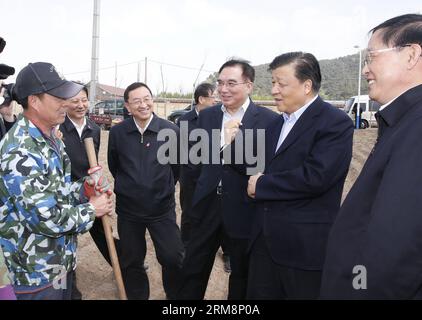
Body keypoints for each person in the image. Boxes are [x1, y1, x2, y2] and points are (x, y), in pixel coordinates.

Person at [320, 14, 422, 299]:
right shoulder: (404, 120)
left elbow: (395, 248)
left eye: (371, 57)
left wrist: (356, 290)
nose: (365, 70)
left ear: (411, 55)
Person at [0, 62, 113, 300]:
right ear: (34, 101)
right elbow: (44, 218)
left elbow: (57, 192)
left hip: (60, 262)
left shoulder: (51, 137)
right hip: (36, 273)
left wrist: (84, 188)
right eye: (58, 96)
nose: (67, 103)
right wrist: (92, 209)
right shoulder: (21, 150)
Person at [247, 52, 354, 299]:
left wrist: (262, 184)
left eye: (281, 83)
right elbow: (258, 166)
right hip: (263, 243)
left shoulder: (334, 123)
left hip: (303, 248)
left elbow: (317, 176)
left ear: (306, 86)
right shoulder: (274, 124)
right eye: (272, 82)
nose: (274, 90)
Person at [177, 59, 278, 300]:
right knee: (192, 270)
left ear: (249, 85)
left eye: (231, 83)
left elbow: (265, 167)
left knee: (242, 274)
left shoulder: (268, 120)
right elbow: (194, 161)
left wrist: (232, 145)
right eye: (220, 83)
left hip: (244, 207)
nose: (223, 89)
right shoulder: (208, 116)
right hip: (206, 206)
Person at [108, 82, 184, 300]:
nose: (143, 105)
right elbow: (115, 166)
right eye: (137, 101)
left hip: (162, 210)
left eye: (147, 98)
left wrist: (161, 187)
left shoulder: (170, 130)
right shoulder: (118, 132)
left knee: (172, 257)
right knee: (132, 261)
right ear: (127, 106)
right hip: (129, 211)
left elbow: (176, 168)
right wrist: (130, 187)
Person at [60, 83, 121, 300]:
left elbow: (92, 162)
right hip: (65, 194)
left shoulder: (94, 129)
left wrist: (96, 185)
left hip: (89, 191)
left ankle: (122, 266)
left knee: (103, 232)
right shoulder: (57, 129)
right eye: (74, 100)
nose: (80, 105)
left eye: (84, 100)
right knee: (65, 241)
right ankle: (69, 286)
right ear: (64, 102)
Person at [178, 82, 217, 244]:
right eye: (213, 97)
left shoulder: (219, 118)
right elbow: (178, 149)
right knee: (188, 211)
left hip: (213, 174)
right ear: (201, 99)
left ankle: (226, 251)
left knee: (216, 212)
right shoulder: (184, 120)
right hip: (190, 176)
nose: (216, 100)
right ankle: (185, 244)